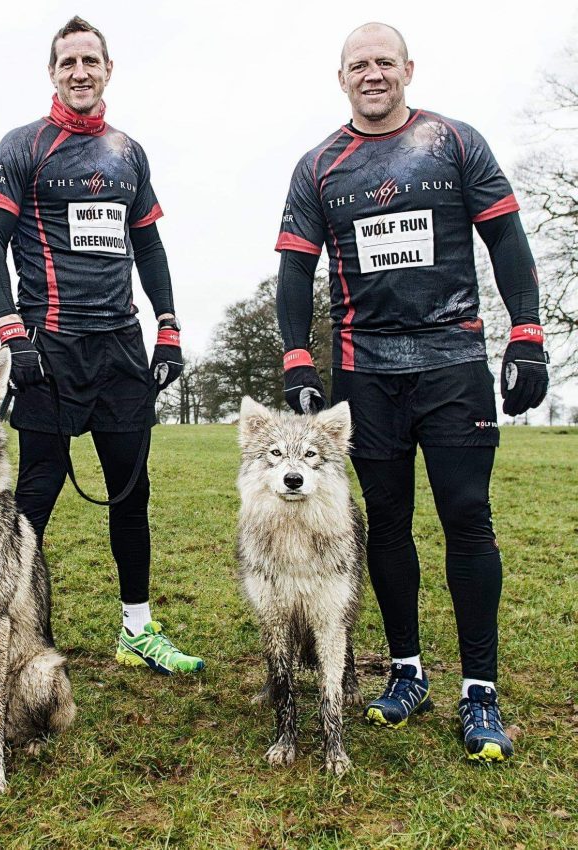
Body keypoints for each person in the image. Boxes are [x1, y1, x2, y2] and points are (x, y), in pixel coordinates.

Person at [274, 22, 549, 761]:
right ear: (341, 78)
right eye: (359, 64)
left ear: (408, 69)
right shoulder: (318, 166)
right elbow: (296, 269)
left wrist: (527, 334)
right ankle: (407, 672)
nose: (373, 74)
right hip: (365, 372)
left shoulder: (454, 142)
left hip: (452, 361)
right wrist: (298, 358)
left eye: (384, 62)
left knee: (467, 518)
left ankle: (480, 691)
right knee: (387, 524)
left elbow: (507, 238)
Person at [0, 16, 203, 675]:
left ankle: (138, 630)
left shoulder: (128, 152)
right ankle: (5, 630)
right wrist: (11, 334)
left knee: (133, 492)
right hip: (48, 346)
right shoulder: (23, 146)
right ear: (52, 72)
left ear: (107, 70)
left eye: (90, 61)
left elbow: (149, 246)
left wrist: (167, 326)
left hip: (121, 350)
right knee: (37, 493)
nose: (79, 72)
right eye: (67, 62)